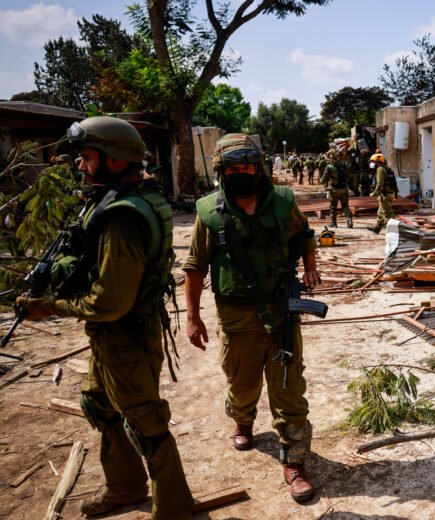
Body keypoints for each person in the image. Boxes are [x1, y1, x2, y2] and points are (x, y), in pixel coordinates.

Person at [17, 116, 193, 519]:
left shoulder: (123, 217)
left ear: (114, 159)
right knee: (99, 404)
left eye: (87, 156)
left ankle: (175, 510)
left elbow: (109, 302)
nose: (80, 165)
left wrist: (49, 307)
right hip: (113, 336)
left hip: (126, 335)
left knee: (147, 425)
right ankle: (126, 487)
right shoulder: (124, 195)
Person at [183, 133, 322, 503]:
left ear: (258, 167)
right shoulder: (209, 212)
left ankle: (295, 462)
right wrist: (192, 317)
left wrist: (310, 267)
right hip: (236, 316)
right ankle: (242, 420)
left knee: (289, 389)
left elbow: (305, 236)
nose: (241, 173)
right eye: (233, 169)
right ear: (222, 172)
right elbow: (195, 266)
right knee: (242, 384)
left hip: (282, 314)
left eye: (247, 166)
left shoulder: (282, 202)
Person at [320, 150, 353, 228]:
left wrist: (322, 181)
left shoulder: (329, 167)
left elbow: (323, 180)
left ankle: (334, 223)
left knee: (333, 206)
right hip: (344, 188)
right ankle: (349, 220)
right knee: (345, 205)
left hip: (334, 190)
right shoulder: (343, 164)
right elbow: (348, 176)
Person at [367, 151, 396, 234]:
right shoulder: (387, 169)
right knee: (380, 213)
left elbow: (380, 183)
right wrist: (396, 192)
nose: (371, 163)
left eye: (373, 161)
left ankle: (395, 231)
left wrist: (374, 193)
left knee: (387, 214)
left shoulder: (380, 169)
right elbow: (394, 182)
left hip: (385, 195)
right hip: (389, 193)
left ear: (377, 162)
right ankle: (376, 228)